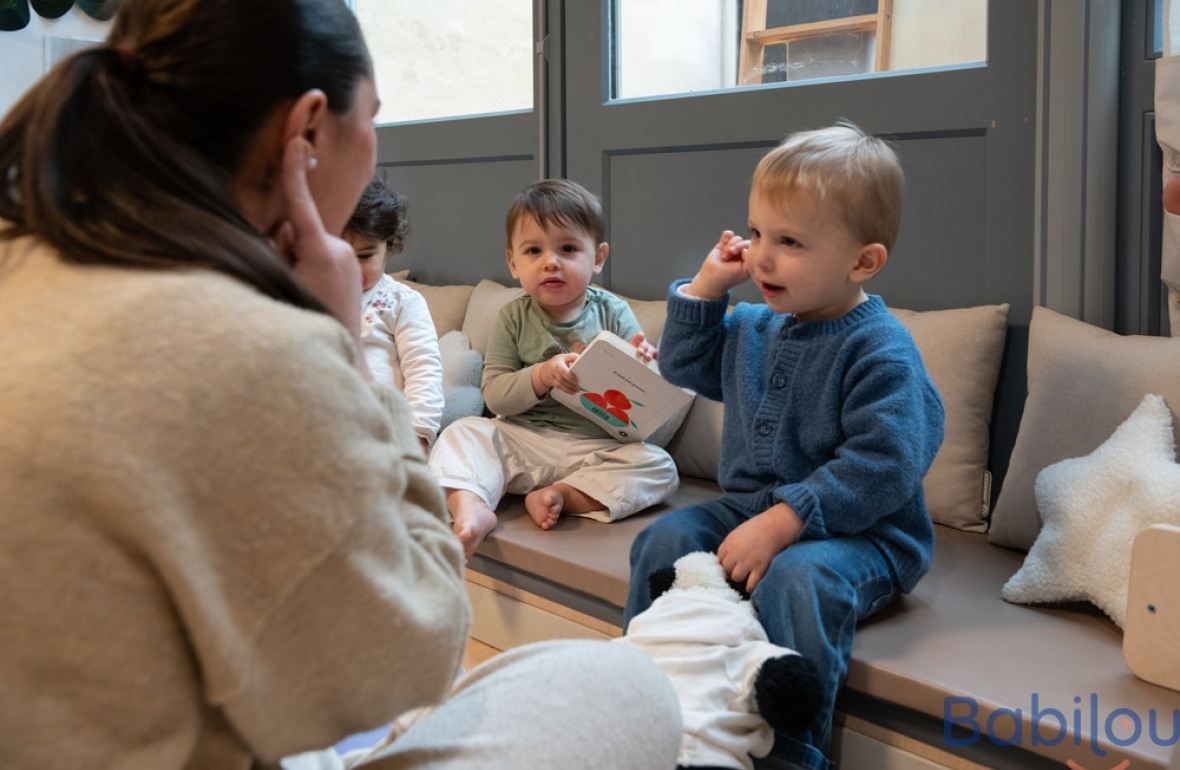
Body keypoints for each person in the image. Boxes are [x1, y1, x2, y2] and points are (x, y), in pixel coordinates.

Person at [0, 2, 681, 770]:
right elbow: (407, 658)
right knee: (626, 686)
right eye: (377, 117)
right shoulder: (258, 343)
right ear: (310, 133)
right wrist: (332, 341)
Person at [624, 122, 945, 770]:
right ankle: (636, 695)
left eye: (790, 242)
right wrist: (708, 287)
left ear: (862, 261)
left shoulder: (880, 348)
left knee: (795, 581)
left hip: (866, 536)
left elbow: (886, 464)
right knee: (661, 541)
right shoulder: (753, 325)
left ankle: (791, 753)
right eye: (758, 234)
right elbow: (683, 368)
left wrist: (787, 519)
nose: (763, 258)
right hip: (751, 510)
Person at [428, 179, 680, 558]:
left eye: (568, 248)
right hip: (525, 438)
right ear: (513, 262)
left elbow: (639, 392)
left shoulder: (612, 312)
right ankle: (471, 508)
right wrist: (540, 376)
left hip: (595, 448)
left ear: (598, 257)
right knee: (464, 432)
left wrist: (644, 361)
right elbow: (495, 394)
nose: (551, 261)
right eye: (533, 250)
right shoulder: (512, 316)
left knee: (660, 467)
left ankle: (561, 496)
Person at [347, 177, 444, 451]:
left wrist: (419, 434)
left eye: (365, 256)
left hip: (387, 433)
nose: (352, 268)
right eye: (341, 253)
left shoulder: (402, 302)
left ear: (389, 246)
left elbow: (424, 369)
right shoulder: (309, 295)